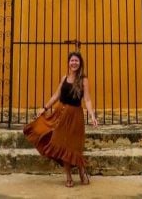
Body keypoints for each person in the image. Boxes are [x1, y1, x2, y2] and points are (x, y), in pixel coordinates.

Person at [23, 51, 99, 187]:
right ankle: (68, 176)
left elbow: (87, 99)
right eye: (72, 61)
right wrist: (44, 108)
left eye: (76, 60)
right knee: (62, 146)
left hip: (75, 116)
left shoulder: (83, 80)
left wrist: (92, 116)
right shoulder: (64, 78)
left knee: (74, 146)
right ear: (68, 63)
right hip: (60, 114)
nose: (74, 63)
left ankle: (81, 171)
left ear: (80, 63)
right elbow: (56, 95)